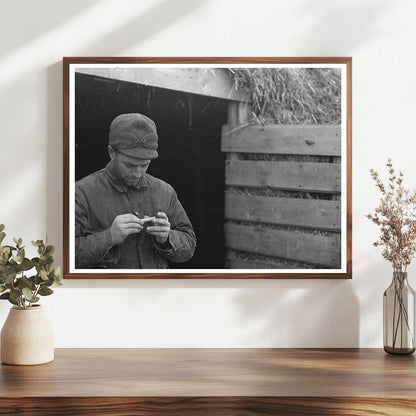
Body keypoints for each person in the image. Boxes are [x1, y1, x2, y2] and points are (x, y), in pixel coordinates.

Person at [75, 113, 196, 269]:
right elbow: (63, 257)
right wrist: (109, 237)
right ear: (111, 152)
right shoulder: (81, 193)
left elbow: (190, 245)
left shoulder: (165, 191)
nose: (138, 173)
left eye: (145, 164)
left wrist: (167, 237)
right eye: (130, 165)